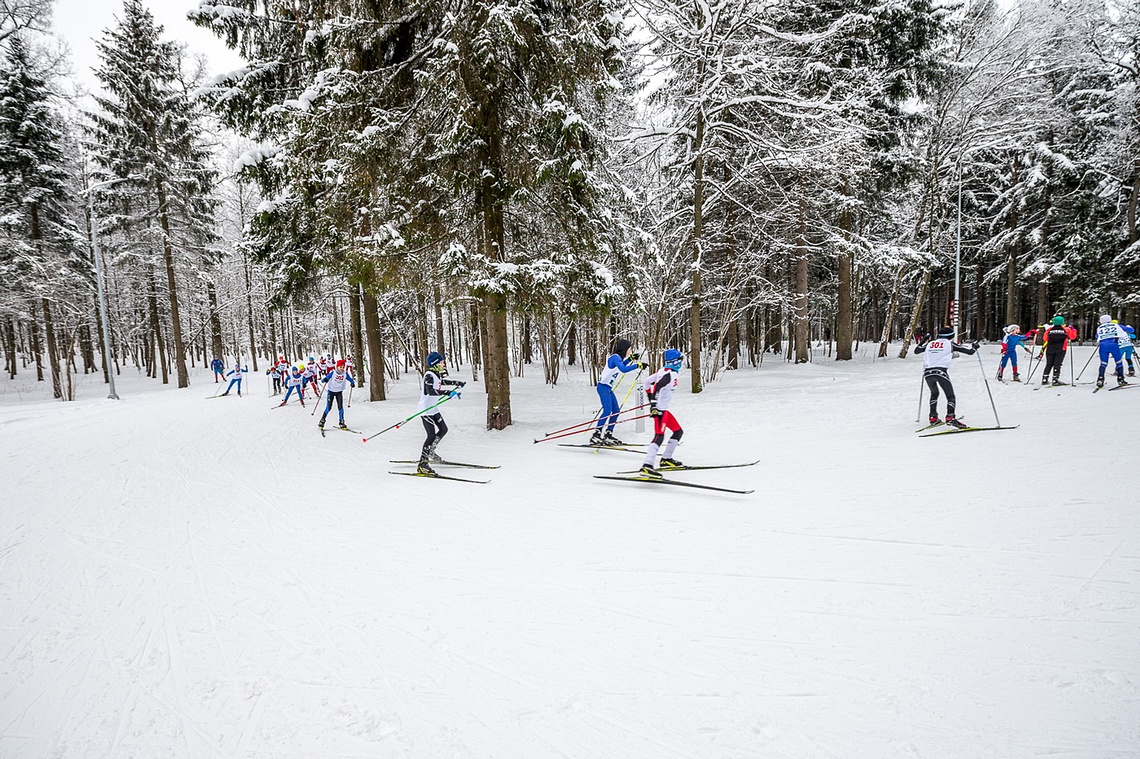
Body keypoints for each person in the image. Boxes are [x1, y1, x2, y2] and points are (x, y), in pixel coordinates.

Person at [914, 326, 978, 429]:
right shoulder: (950, 344)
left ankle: (933, 417)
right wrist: (975, 347)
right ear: (951, 337)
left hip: (928, 372)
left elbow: (917, 350)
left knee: (934, 393)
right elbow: (970, 352)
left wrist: (924, 340)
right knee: (950, 396)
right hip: (941, 372)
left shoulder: (930, 343)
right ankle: (950, 417)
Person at [417, 351, 466, 474]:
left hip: (433, 408)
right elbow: (430, 391)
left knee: (443, 429)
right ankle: (422, 464)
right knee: (431, 436)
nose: (443, 364)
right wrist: (448, 393)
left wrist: (456, 383)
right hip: (425, 410)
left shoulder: (436, 374)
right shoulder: (428, 375)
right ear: (435, 364)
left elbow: (441, 382)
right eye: (442, 362)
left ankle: (431, 452)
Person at [639, 349, 685, 478]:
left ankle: (666, 459)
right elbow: (657, 386)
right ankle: (647, 465)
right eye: (680, 360)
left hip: (663, 410)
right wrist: (653, 404)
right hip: (659, 411)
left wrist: (650, 399)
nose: (681, 363)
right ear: (675, 362)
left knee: (678, 431)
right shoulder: (670, 374)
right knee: (659, 437)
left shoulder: (663, 371)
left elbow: (647, 382)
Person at [591, 338, 645, 446]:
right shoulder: (614, 357)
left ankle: (608, 434)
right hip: (603, 387)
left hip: (608, 388)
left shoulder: (618, 358)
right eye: (629, 349)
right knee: (607, 411)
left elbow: (622, 364)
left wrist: (631, 358)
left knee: (616, 411)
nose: (630, 351)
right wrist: (637, 365)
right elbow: (623, 369)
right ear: (624, 349)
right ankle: (596, 434)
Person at [1095, 315, 1131, 389]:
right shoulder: (1116, 325)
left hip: (1103, 346)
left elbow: (1096, 336)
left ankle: (1100, 379)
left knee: (1103, 363)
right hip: (1113, 344)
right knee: (1119, 362)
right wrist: (1129, 327)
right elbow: (1130, 330)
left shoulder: (1099, 327)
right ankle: (1120, 379)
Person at [318, 359, 355, 429]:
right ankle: (322, 420)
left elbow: (350, 379)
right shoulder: (333, 373)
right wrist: (325, 380)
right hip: (331, 392)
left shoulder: (345, 374)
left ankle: (341, 422)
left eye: (343, 367)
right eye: (340, 367)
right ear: (337, 367)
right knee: (328, 407)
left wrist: (352, 383)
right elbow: (325, 379)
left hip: (339, 392)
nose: (342, 368)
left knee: (340, 407)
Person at [1040, 315, 1077, 386]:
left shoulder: (1049, 329)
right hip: (1061, 349)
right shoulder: (1066, 329)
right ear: (1062, 322)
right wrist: (1074, 330)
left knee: (1049, 364)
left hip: (1050, 349)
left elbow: (1045, 338)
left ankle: (1045, 378)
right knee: (1057, 364)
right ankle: (1055, 379)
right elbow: (1073, 337)